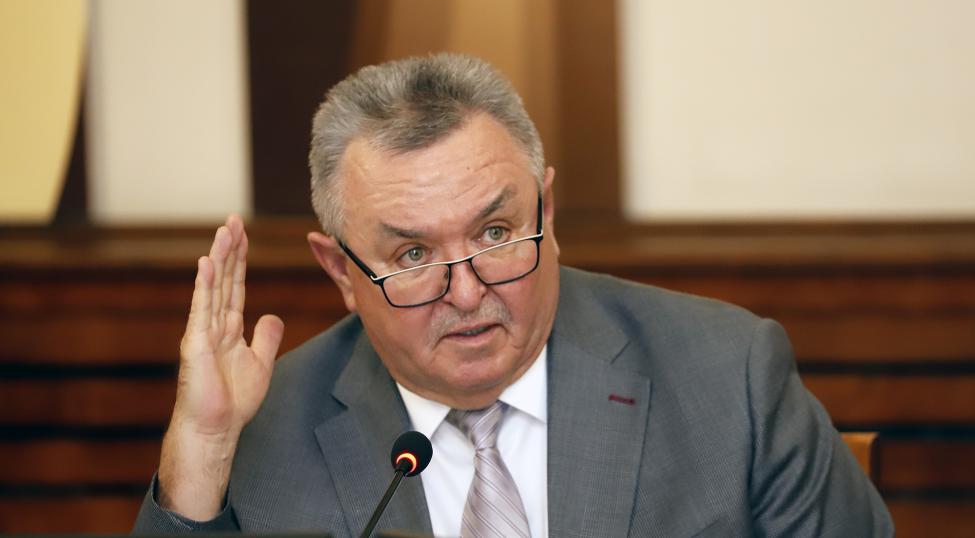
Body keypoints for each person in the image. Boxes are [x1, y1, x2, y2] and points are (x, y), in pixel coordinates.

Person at [134, 53, 892, 536]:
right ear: (341, 273)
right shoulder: (262, 436)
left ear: (547, 215)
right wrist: (202, 451)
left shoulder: (729, 379)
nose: (466, 293)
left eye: (495, 233)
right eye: (412, 254)